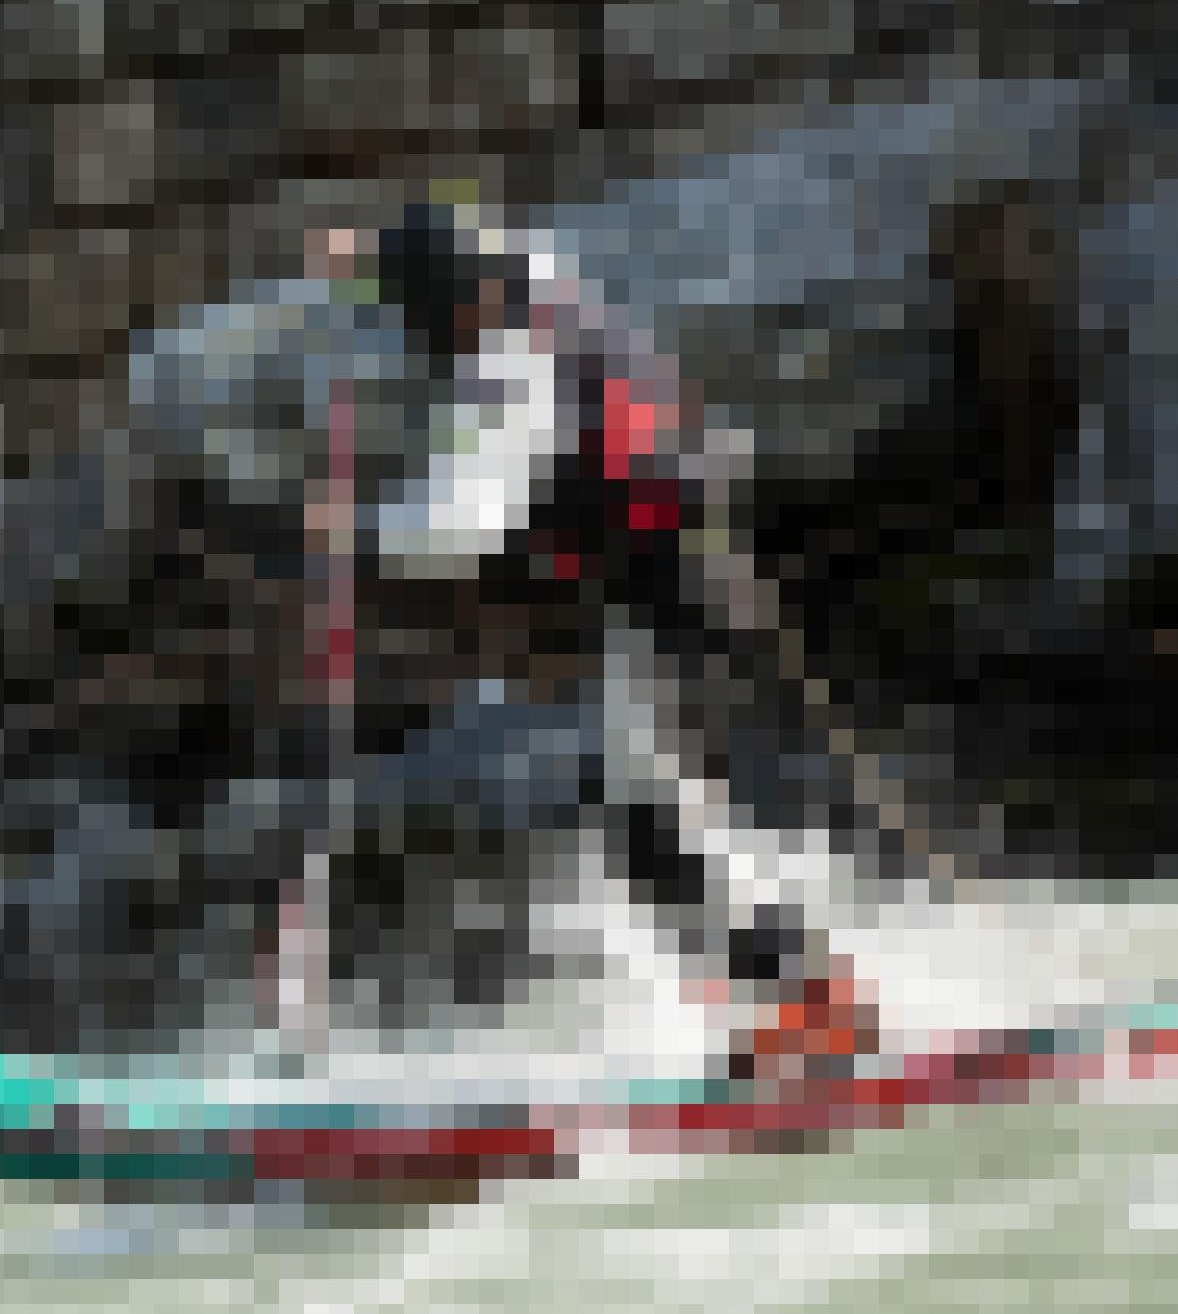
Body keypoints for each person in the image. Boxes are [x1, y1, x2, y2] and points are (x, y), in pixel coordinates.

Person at [317, 198, 874, 1065]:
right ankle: (781, 1004)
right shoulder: (539, 283)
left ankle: (809, 1007)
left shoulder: (506, 375)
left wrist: (351, 530)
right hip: (690, 554)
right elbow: (481, 246)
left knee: (650, 818)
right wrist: (369, 259)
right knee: (650, 808)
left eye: (419, 318)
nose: (425, 339)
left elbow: (457, 527)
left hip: (663, 586)